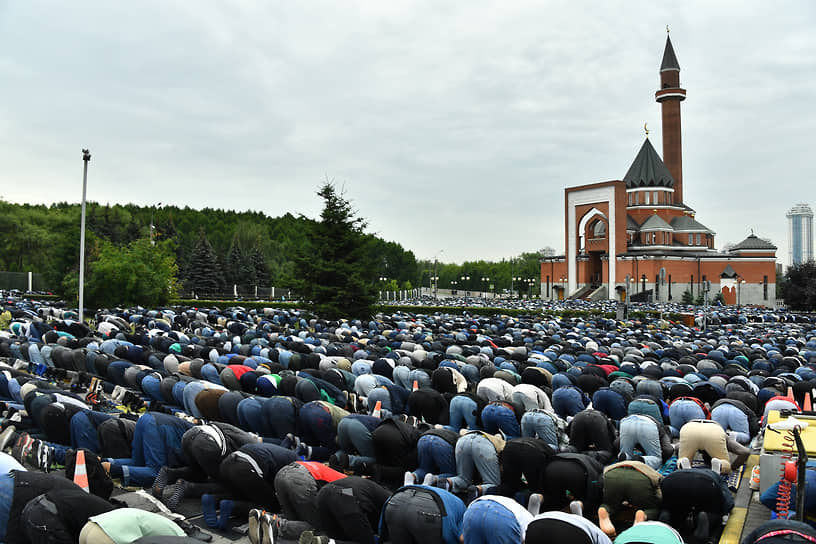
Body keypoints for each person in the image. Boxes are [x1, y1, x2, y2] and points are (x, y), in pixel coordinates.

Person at [305, 475, 392, 544]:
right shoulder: (393, 502)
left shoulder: (377, 491)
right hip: (345, 494)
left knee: (340, 537)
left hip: (324, 494)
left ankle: (324, 540)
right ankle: (328, 542)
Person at [379, 484, 467, 544]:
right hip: (428, 508)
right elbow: (462, 538)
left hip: (396, 500)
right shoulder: (465, 511)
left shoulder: (454, 501)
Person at [461, 494, 534, 544]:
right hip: (503, 517)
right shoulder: (531, 523)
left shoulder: (526, 516)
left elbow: (462, 538)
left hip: (474, 509)